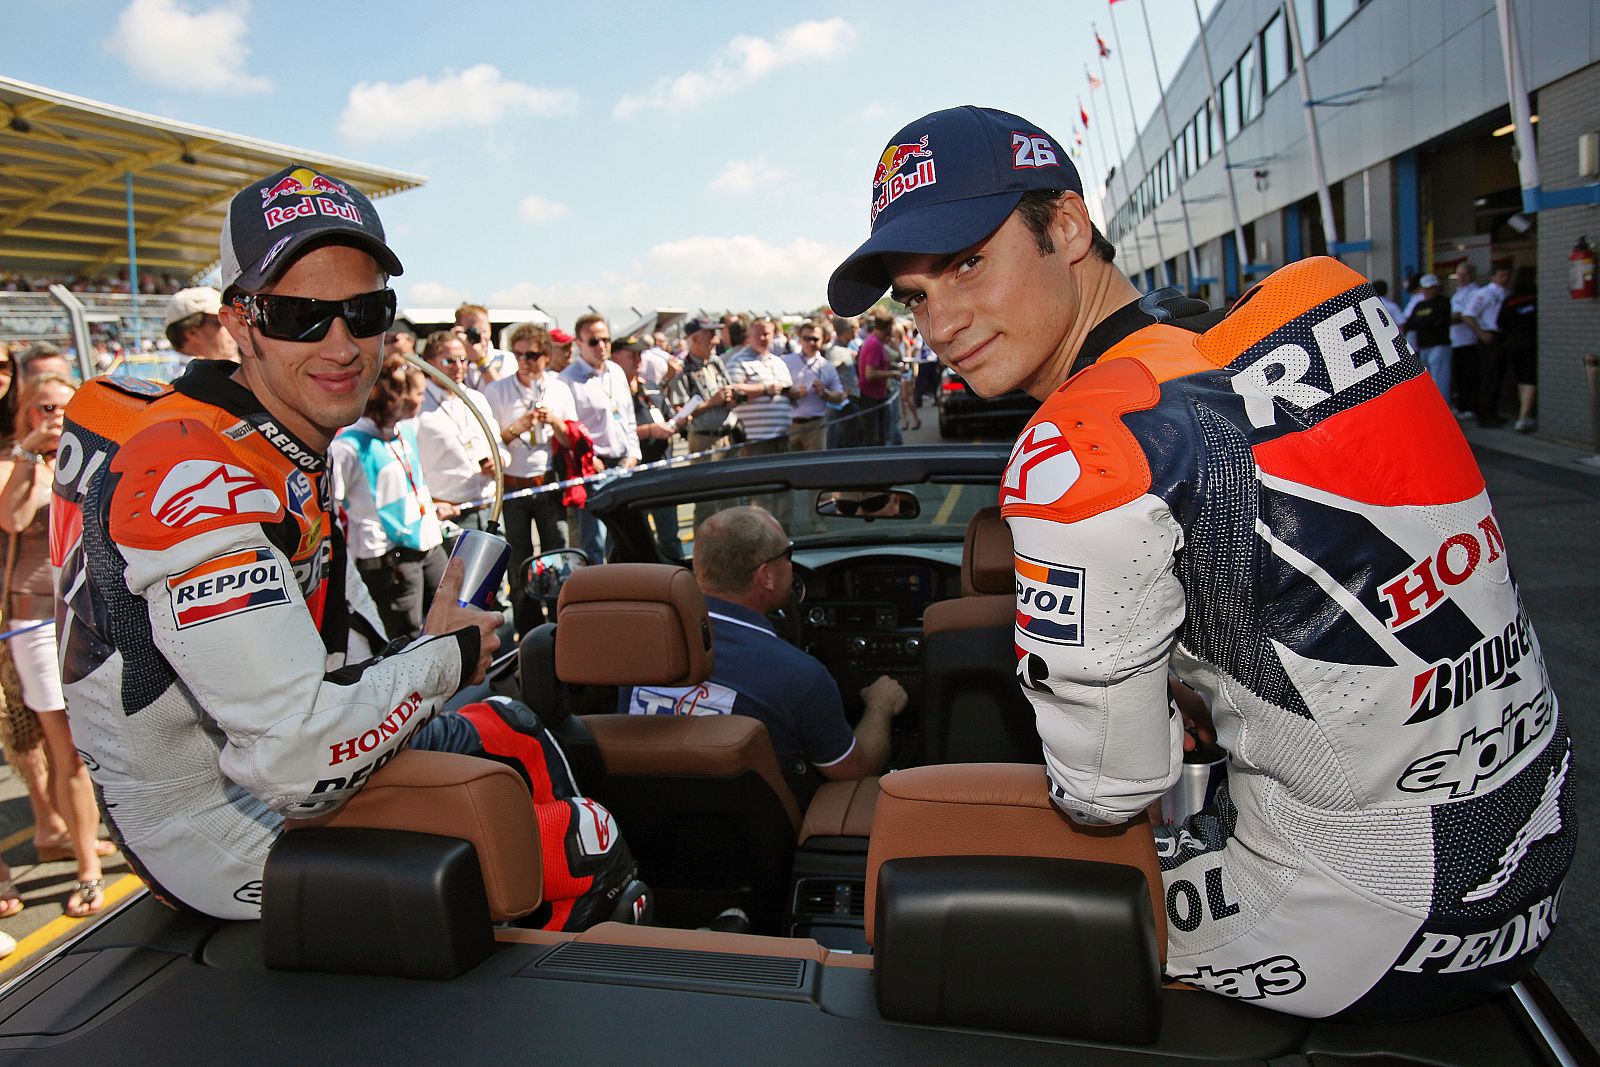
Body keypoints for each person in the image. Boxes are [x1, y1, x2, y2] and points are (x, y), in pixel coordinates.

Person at [827, 105, 1572, 1022]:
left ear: (1065, 226)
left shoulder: (1086, 446)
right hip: (1533, 848)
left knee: (933, 884)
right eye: (915, 295)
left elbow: (1108, 793)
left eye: (965, 264)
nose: (938, 320)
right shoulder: (1324, 309)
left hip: (1374, 916)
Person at [51, 163, 507, 920]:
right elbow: (294, 757)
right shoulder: (188, 466)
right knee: (555, 833)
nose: (341, 344)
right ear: (239, 321)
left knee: (519, 733)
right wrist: (448, 655)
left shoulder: (263, 434)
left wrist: (416, 652)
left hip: (267, 771)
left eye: (365, 311)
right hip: (226, 828)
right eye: (300, 314)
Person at [621, 506, 907, 807]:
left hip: (650, 826)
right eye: (789, 555)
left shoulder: (641, 655)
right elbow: (852, 770)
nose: (791, 565)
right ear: (767, 576)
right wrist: (880, 706)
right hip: (762, 842)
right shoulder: (800, 674)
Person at [2, 374, 109, 917]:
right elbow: (13, 519)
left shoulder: (97, 455)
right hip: (38, 623)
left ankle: (92, 848)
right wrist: (28, 453)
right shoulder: (13, 463)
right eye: (44, 407)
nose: (56, 416)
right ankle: (88, 869)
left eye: (68, 406)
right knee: (65, 750)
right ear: (24, 412)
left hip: (93, 614)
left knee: (103, 742)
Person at [329, 355, 450, 642]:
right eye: (419, 394)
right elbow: (331, 506)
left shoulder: (403, 430)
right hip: (388, 556)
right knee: (407, 634)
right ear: (397, 400)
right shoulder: (347, 447)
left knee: (445, 616)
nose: (423, 400)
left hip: (427, 543)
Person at [481, 322, 575, 636]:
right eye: (518, 354)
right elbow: (491, 443)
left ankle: (563, 626)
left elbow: (570, 440)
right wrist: (517, 427)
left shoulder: (559, 388)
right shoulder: (497, 390)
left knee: (557, 558)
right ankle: (530, 633)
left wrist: (556, 422)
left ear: (546, 356)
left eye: (532, 355)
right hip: (513, 489)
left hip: (547, 483)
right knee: (519, 565)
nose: (525, 361)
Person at [560, 314, 639, 564]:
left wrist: (634, 452)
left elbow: (627, 416)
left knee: (623, 539)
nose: (602, 346)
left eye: (606, 340)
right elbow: (569, 427)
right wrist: (589, 458)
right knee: (593, 542)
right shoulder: (568, 379)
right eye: (594, 341)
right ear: (579, 344)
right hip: (594, 470)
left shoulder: (615, 371)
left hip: (623, 466)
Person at [415, 330, 505, 537]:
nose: (459, 367)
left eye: (463, 359)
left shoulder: (476, 398)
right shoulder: (417, 405)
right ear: (428, 363)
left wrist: (500, 460)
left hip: (490, 507)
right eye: (449, 360)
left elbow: (498, 443)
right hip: (450, 513)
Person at [663, 315, 738, 527]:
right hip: (704, 441)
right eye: (710, 335)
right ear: (695, 339)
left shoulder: (716, 362)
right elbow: (680, 414)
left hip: (728, 438)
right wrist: (711, 403)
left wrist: (731, 399)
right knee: (706, 500)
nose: (716, 340)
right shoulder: (682, 370)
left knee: (731, 498)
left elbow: (728, 392)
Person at [611, 338, 682, 560]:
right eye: (631, 354)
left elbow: (667, 415)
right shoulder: (612, 393)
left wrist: (679, 420)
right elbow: (616, 430)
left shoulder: (650, 387)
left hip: (662, 470)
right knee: (636, 538)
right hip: (634, 474)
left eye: (640, 354)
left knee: (669, 534)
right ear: (615, 357)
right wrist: (649, 430)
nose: (638, 359)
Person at [727, 317, 795, 459]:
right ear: (748, 337)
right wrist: (764, 389)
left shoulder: (778, 362)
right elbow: (733, 391)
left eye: (766, 334)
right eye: (758, 334)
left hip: (783, 436)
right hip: (755, 440)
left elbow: (788, 388)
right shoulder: (738, 361)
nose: (763, 338)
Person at [780, 320, 844, 454]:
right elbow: (775, 388)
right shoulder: (786, 361)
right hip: (789, 424)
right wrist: (789, 391)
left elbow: (839, 396)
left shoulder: (827, 366)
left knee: (814, 468)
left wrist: (825, 393)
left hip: (816, 426)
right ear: (800, 339)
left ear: (823, 340)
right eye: (806, 338)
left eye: (815, 339)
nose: (811, 343)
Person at [1463, 265, 1511, 427]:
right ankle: (1484, 415)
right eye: (1501, 275)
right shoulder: (1484, 294)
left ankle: (1493, 413)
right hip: (1488, 336)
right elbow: (1468, 315)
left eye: (1506, 275)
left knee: (1498, 377)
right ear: (1493, 277)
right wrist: (1481, 334)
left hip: (1501, 336)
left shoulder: (1506, 294)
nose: (1505, 279)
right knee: (1488, 377)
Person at [1401, 273, 1451, 400]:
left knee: (1440, 379)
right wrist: (1424, 322)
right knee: (1427, 379)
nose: (1428, 291)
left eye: (1431, 288)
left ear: (1436, 288)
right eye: (1425, 288)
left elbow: (1436, 321)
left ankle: (1443, 408)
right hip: (1423, 346)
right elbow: (1410, 323)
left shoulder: (1443, 302)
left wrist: (1422, 322)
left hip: (1439, 344)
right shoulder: (1419, 305)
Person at [1500, 266, 1538, 433]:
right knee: (1529, 379)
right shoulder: (1535, 297)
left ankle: (1525, 415)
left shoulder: (1510, 299)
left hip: (1512, 343)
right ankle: (1523, 417)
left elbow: (1500, 321)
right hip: (1530, 342)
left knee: (1521, 378)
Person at [163, 287, 239, 367]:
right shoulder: (194, 378)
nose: (232, 329)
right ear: (192, 333)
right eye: (220, 322)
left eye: (231, 320)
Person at [855, 310, 895, 445]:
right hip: (871, 397)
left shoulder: (873, 341)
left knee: (876, 435)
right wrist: (893, 374)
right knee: (874, 438)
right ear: (888, 327)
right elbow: (870, 374)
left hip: (874, 395)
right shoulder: (874, 344)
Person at [1447, 263, 1480, 417]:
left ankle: (1470, 407)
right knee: (1458, 375)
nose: (1461, 277)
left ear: (1472, 274)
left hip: (1469, 340)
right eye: (1459, 274)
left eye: (1464, 274)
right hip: (1455, 341)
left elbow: (1462, 315)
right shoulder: (1457, 293)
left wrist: (1449, 318)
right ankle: (1461, 406)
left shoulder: (1475, 292)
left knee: (1469, 375)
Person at [825, 316, 863, 449]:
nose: (858, 330)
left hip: (850, 402)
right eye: (856, 327)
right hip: (843, 406)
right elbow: (827, 376)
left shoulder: (845, 349)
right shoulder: (835, 352)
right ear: (849, 330)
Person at [455, 302, 510, 388]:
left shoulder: (505, 358)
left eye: (484, 331)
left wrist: (481, 360)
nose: (481, 336)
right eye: (473, 332)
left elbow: (502, 394)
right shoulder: (454, 362)